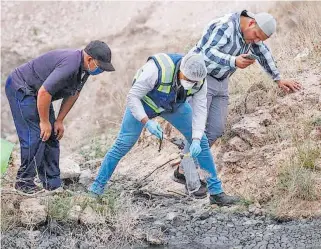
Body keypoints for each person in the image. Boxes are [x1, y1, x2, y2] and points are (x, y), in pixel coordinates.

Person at [174, 10, 301, 195]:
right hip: (200, 78)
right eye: (256, 36)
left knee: (216, 129)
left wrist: (278, 79)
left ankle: (183, 168)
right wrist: (233, 60)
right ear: (251, 23)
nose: (254, 41)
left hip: (221, 81)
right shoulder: (225, 26)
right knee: (197, 129)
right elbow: (207, 53)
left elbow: (263, 53)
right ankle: (188, 176)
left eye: (259, 39)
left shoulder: (252, 38)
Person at [89, 52, 240, 206]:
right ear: (181, 70)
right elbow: (132, 97)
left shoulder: (200, 80)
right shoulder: (155, 70)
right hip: (144, 104)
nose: (191, 83)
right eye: (188, 79)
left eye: (195, 82)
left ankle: (216, 193)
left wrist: (195, 139)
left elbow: (200, 111)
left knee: (202, 143)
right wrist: (146, 122)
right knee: (122, 144)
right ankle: (95, 189)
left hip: (173, 105)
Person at [5, 40, 115, 195]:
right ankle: (24, 184)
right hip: (21, 87)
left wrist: (59, 120)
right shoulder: (70, 65)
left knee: (51, 136)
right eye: (100, 66)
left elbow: (74, 93)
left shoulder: (84, 70)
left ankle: (52, 185)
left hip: (39, 93)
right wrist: (44, 122)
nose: (101, 71)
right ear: (89, 59)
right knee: (36, 135)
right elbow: (44, 92)